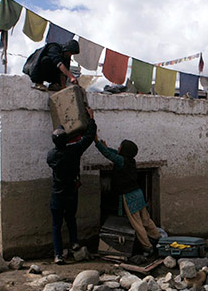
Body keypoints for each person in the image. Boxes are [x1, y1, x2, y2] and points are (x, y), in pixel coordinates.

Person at [47, 107, 97, 264]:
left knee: (56, 225)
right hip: (71, 191)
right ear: (67, 140)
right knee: (71, 218)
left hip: (57, 193)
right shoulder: (74, 151)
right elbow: (88, 138)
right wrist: (91, 119)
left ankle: (58, 255)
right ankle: (74, 242)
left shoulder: (52, 156)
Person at [94, 137, 159, 257]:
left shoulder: (121, 161)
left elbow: (109, 154)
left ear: (125, 151)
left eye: (120, 147)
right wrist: (106, 146)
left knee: (137, 223)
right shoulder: (130, 160)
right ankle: (158, 238)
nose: (118, 148)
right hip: (138, 193)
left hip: (129, 197)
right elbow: (113, 153)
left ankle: (147, 247)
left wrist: (97, 142)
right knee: (146, 219)